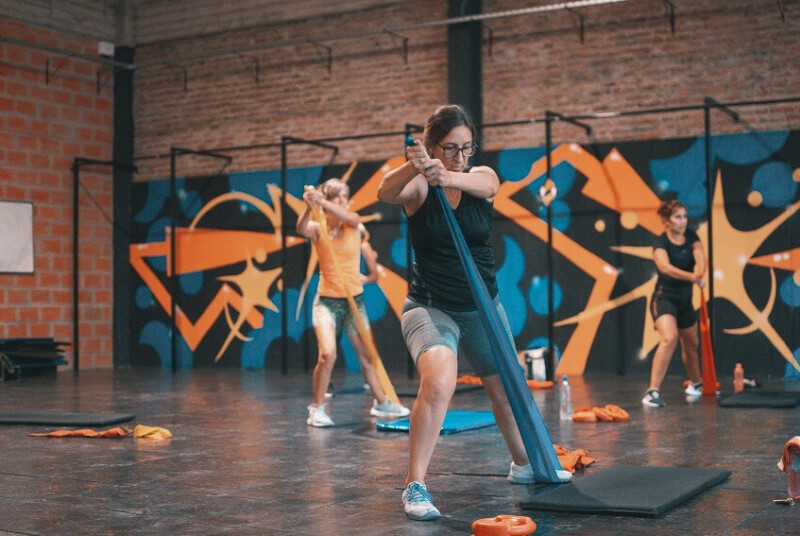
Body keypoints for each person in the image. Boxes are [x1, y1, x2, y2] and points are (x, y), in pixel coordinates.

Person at [377, 105, 571, 521]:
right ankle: (415, 485)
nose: (460, 156)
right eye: (450, 148)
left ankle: (524, 464)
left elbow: (486, 183)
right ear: (432, 146)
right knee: (440, 379)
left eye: (467, 147)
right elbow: (385, 193)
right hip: (430, 308)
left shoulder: (480, 177)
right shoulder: (418, 187)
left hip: (483, 307)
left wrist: (446, 174)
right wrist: (412, 165)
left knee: (506, 389)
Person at [296, 178, 410, 427]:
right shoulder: (318, 227)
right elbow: (301, 228)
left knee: (367, 355)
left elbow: (354, 219)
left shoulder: (353, 226)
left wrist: (323, 202)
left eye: (345, 197)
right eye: (339, 197)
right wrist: (309, 206)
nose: (344, 201)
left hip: (353, 302)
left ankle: (381, 402)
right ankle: (316, 409)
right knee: (327, 354)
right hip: (326, 301)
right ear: (329, 200)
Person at [642, 199, 707, 408]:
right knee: (669, 338)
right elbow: (665, 268)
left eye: (685, 216)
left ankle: (696, 384)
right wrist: (692, 277)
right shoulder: (661, 243)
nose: (683, 221)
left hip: (685, 301)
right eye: (678, 217)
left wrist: (700, 272)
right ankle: (652, 392)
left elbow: (700, 256)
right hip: (664, 299)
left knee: (691, 345)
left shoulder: (692, 237)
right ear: (667, 220)